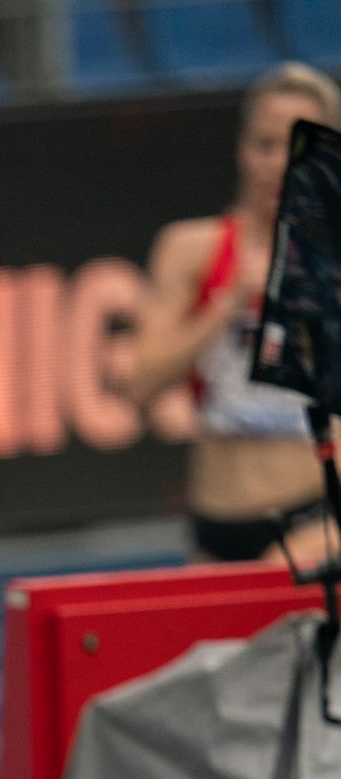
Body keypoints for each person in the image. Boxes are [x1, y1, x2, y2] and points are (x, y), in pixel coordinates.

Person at [128, 62, 341, 566]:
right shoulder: (192, 249)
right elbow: (139, 384)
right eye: (264, 145)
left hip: (316, 514)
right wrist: (224, 303)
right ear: (242, 150)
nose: (278, 164)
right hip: (218, 521)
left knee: (284, 614)